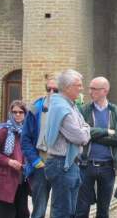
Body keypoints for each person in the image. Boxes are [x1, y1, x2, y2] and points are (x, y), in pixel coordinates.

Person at [43, 69, 90, 218]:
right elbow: (81, 137)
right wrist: (85, 129)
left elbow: (85, 127)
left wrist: (85, 129)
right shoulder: (62, 109)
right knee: (62, 212)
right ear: (68, 87)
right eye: (79, 85)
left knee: (69, 211)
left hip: (70, 163)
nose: (81, 88)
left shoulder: (71, 105)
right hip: (61, 164)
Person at [76, 77, 117, 218]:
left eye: (94, 89)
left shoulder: (116, 111)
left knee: (103, 210)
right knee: (81, 209)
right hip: (86, 165)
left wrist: (92, 134)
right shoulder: (84, 110)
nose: (90, 92)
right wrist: (107, 131)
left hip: (108, 166)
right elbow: (81, 133)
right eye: (90, 88)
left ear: (105, 91)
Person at [21, 74, 57, 218]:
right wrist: (35, 161)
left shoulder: (70, 109)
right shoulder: (35, 109)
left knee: (59, 208)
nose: (52, 93)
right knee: (39, 209)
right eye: (49, 89)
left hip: (61, 163)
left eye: (56, 90)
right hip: (41, 162)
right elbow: (25, 140)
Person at [0, 100, 30, 218]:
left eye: (21, 112)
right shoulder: (4, 130)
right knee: (6, 214)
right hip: (4, 180)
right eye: (14, 112)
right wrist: (9, 161)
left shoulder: (27, 131)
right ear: (10, 113)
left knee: (23, 214)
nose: (17, 115)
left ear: (25, 114)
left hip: (21, 180)